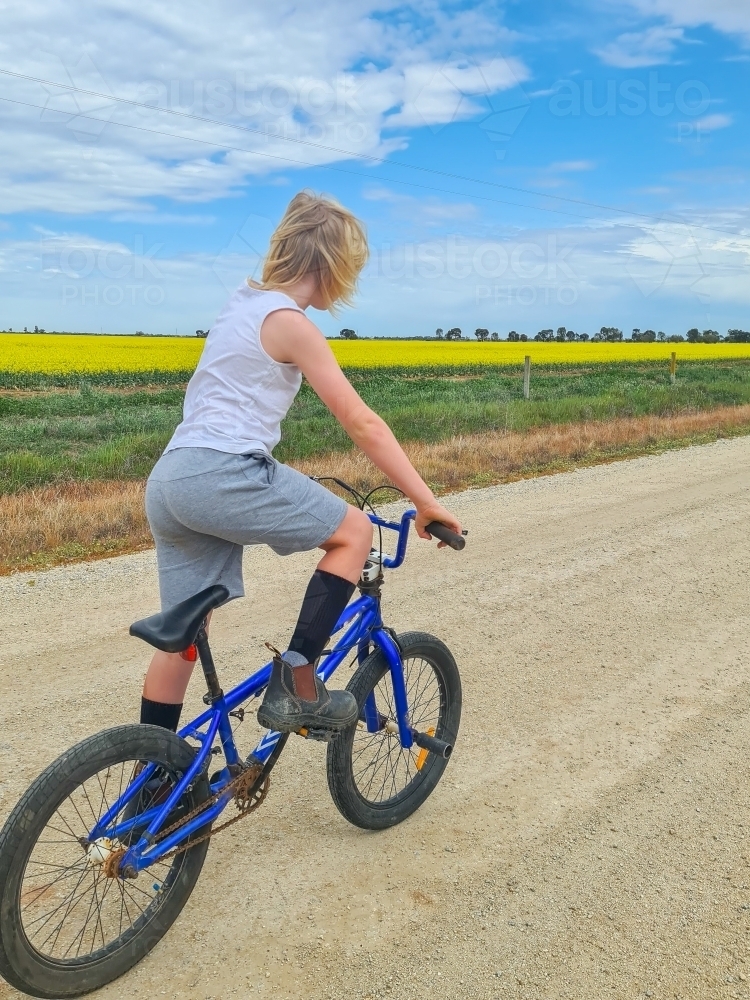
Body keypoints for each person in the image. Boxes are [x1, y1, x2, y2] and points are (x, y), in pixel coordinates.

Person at [141, 190, 462, 738]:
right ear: (333, 266)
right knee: (355, 532)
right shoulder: (291, 323)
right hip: (223, 472)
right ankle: (295, 683)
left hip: (171, 480)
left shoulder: (240, 303)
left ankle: (157, 783)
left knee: (184, 640)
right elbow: (361, 422)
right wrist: (424, 500)